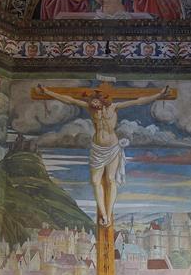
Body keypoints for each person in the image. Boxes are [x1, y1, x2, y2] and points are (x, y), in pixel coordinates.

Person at [35, 83, 171, 226]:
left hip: (112, 148)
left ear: (101, 100)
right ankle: (103, 214)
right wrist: (47, 91)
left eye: (95, 101)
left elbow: (138, 101)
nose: (93, 103)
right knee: (95, 181)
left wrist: (160, 95)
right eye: (91, 102)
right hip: (97, 150)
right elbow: (69, 99)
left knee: (111, 180)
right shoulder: (90, 110)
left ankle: (108, 214)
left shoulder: (114, 107)